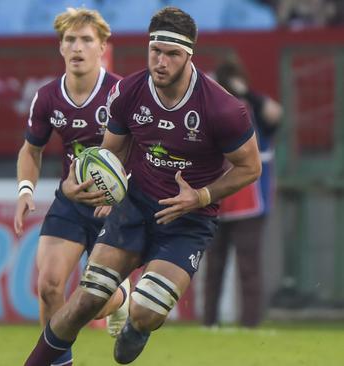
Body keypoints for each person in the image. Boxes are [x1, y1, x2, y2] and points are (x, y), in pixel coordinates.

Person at [24, 6, 261, 365]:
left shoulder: (223, 108)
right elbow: (110, 153)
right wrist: (86, 187)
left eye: (172, 54)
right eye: (156, 51)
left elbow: (250, 167)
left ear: (189, 55)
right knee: (88, 298)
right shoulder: (128, 92)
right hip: (134, 206)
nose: (161, 62)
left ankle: (138, 325)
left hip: (188, 220)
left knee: (147, 310)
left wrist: (202, 196)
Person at [13, 7, 130, 366]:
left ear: (102, 47)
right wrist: (25, 190)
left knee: (92, 300)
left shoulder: (122, 93)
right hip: (71, 200)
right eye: (70, 40)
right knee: (49, 285)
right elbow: (31, 149)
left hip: (118, 205)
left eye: (86, 40)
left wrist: (122, 187)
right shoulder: (48, 96)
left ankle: (121, 299)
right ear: (61, 48)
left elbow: (143, 149)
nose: (77, 47)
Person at [203, 58, 283, 328]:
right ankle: (209, 323)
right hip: (215, 198)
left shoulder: (254, 107)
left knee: (248, 266)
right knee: (213, 266)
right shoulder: (210, 111)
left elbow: (276, 114)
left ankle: (250, 323)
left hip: (250, 202)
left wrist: (246, 92)